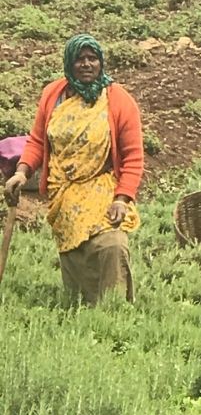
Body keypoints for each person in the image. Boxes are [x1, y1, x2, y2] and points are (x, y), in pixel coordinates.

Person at [3, 34, 143, 304]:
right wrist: (22, 171)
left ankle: (115, 311)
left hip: (102, 187)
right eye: (80, 59)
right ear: (69, 63)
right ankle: (81, 312)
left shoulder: (117, 100)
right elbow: (37, 141)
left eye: (93, 59)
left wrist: (122, 198)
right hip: (64, 195)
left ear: (101, 63)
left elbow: (133, 156)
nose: (87, 64)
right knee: (75, 254)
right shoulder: (53, 95)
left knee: (112, 244)